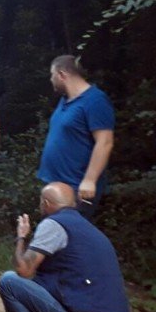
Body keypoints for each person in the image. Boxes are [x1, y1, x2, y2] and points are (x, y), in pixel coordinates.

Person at [0, 182, 130, 312]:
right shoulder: (88, 229)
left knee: (9, 281)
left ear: (45, 203)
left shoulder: (54, 224)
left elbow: (24, 269)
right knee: (56, 281)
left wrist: (21, 237)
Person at [37, 55, 115, 220]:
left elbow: (105, 141)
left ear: (62, 74)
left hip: (75, 186)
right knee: (54, 238)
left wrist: (90, 179)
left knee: (68, 238)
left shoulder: (95, 100)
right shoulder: (66, 101)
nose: (51, 80)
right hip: (55, 183)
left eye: (52, 75)